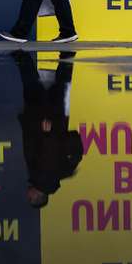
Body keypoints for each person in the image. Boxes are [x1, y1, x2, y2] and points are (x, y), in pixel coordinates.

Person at [13, 50, 83, 208]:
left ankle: (66, 55)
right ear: (37, 197)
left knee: (60, 86)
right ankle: (21, 54)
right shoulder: (43, 177)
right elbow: (46, 152)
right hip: (42, 124)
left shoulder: (54, 177)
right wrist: (47, 134)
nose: (27, 195)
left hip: (55, 123)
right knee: (32, 88)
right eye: (29, 198)